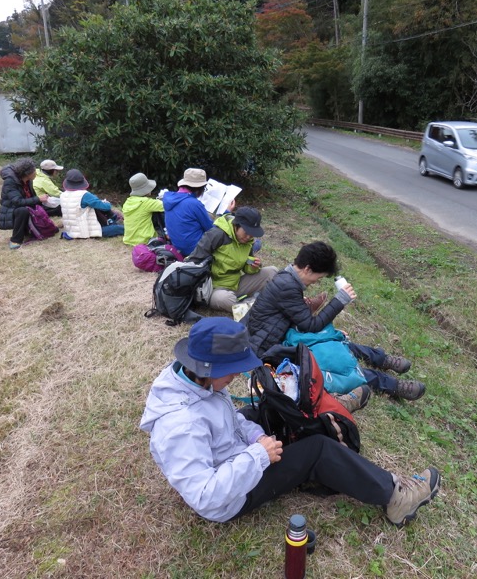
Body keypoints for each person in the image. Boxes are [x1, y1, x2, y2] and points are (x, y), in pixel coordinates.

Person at [139, 317, 441, 526]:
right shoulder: (181, 426)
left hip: (230, 454)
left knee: (271, 407)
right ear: (209, 368)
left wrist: (255, 437)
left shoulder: (195, 379)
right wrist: (258, 455)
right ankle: (395, 497)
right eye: (231, 370)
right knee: (318, 451)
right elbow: (206, 496)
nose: (235, 377)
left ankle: (330, 410)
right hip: (230, 497)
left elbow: (229, 418)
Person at [247, 241, 426, 401]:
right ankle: (392, 385)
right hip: (268, 347)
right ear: (308, 269)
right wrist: (340, 300)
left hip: (279, 334)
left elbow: (300, 322)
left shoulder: (288, 279)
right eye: (319, 277)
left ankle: (381, 359)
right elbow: (310, 325)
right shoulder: (287, 285)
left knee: (334, 338)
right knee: (331, 359)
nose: (317, 282)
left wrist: (330, 333)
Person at [186, 206, 277, 313]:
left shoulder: (248, 241)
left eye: (252, 233)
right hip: (213, 289)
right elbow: (194, 260)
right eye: (246, 232)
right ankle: (252, 307)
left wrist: (253, 266)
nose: (249, 237)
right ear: (236, 225)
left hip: (236, 284)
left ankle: (247, 305)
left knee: (272, 271)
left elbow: (245, 266)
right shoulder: (217, 235)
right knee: (224, 299)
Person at [0, 157, 49, 250]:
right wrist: (38, 199)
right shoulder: (10, 182)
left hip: (25, 206)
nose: (35, 172)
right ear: (27, 173)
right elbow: (18, 202)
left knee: (47, 207)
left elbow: (30, 197)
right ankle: (15, 240)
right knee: (22, 210)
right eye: (34, 171)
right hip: (11, 212)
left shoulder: (28, 180)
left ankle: (34, 230)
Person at [162, 168, 216, 256]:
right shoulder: (194, 204)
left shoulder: (169, 199)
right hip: (194, 249)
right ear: (199, 189)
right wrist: (227, 211)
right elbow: (210, 229)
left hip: (177, 247)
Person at [60, 169, 125, 239]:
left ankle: (114, 221)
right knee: (120, 228)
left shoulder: (63, 195)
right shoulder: (85, 195)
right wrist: (107, 203)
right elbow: (106, 207)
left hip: (71, 231)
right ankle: (116, 220)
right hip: (85, 231)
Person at [122, 173, 165, 246]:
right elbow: (167, 206)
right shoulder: (146, 203)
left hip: (129, 240)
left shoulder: (128, 202)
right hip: (145, 241)